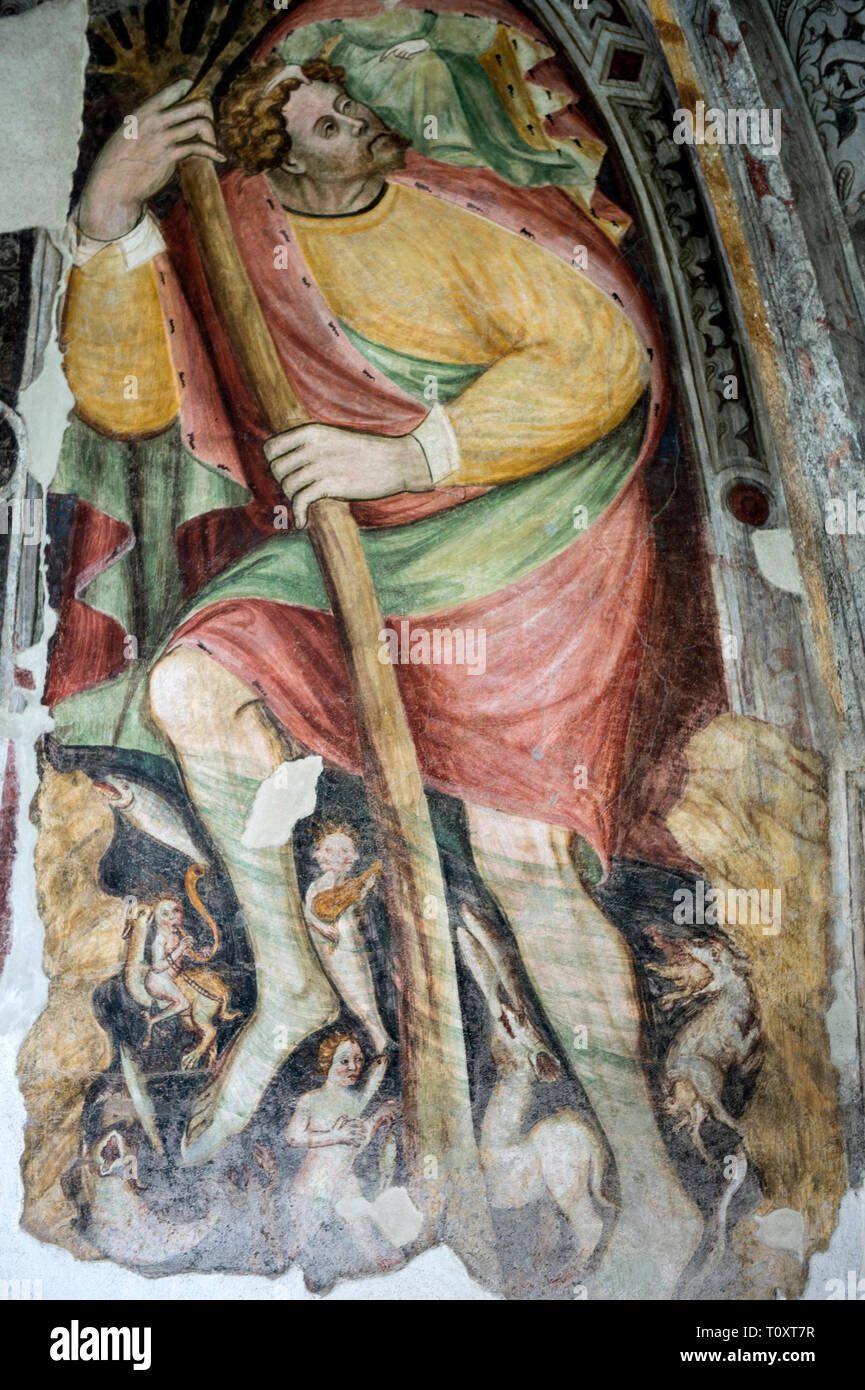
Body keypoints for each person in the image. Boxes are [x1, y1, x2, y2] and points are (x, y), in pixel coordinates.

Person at [52, 53, 701, 1295]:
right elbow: (130, 399)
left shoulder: (456, 206)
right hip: (379, 545)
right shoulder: (234, 234)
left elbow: (600, 361)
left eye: (347, 104)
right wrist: (109, 217)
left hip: (534, 527)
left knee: (520, 855)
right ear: (276, 157)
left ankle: (652, 1188)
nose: (351, 120)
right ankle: (292, 984)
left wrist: (402, 451)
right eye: (318, 118)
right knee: (196, 680)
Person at [286, 1032, 401, 1275]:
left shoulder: (354, 1100)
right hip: (315, 1183)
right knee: (302, 1239)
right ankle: (286, 1270)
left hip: (344, 1179)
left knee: (359, 1223)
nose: (354, 1067)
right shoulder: (313, 1099)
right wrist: (335, 1135)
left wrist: (378, 1117)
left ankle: (377, 1258)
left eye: (359, 1060)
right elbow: (294, 1137)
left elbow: (356, 1141)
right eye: (345, 1061)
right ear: (327, 1064)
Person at [302, 823, 390, 1056]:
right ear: (323, 855)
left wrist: (364, 891)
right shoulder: (323, 883)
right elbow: (313, 915)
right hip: (339, 952)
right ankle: (381, 1045)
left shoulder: (344, 884)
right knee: (362, 1005)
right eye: (334, 851)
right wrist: (322, 928)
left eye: (347, 851)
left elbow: (350, 910)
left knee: (368, 1004)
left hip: (353, 948)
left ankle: (382, 1044)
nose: (346, 857)